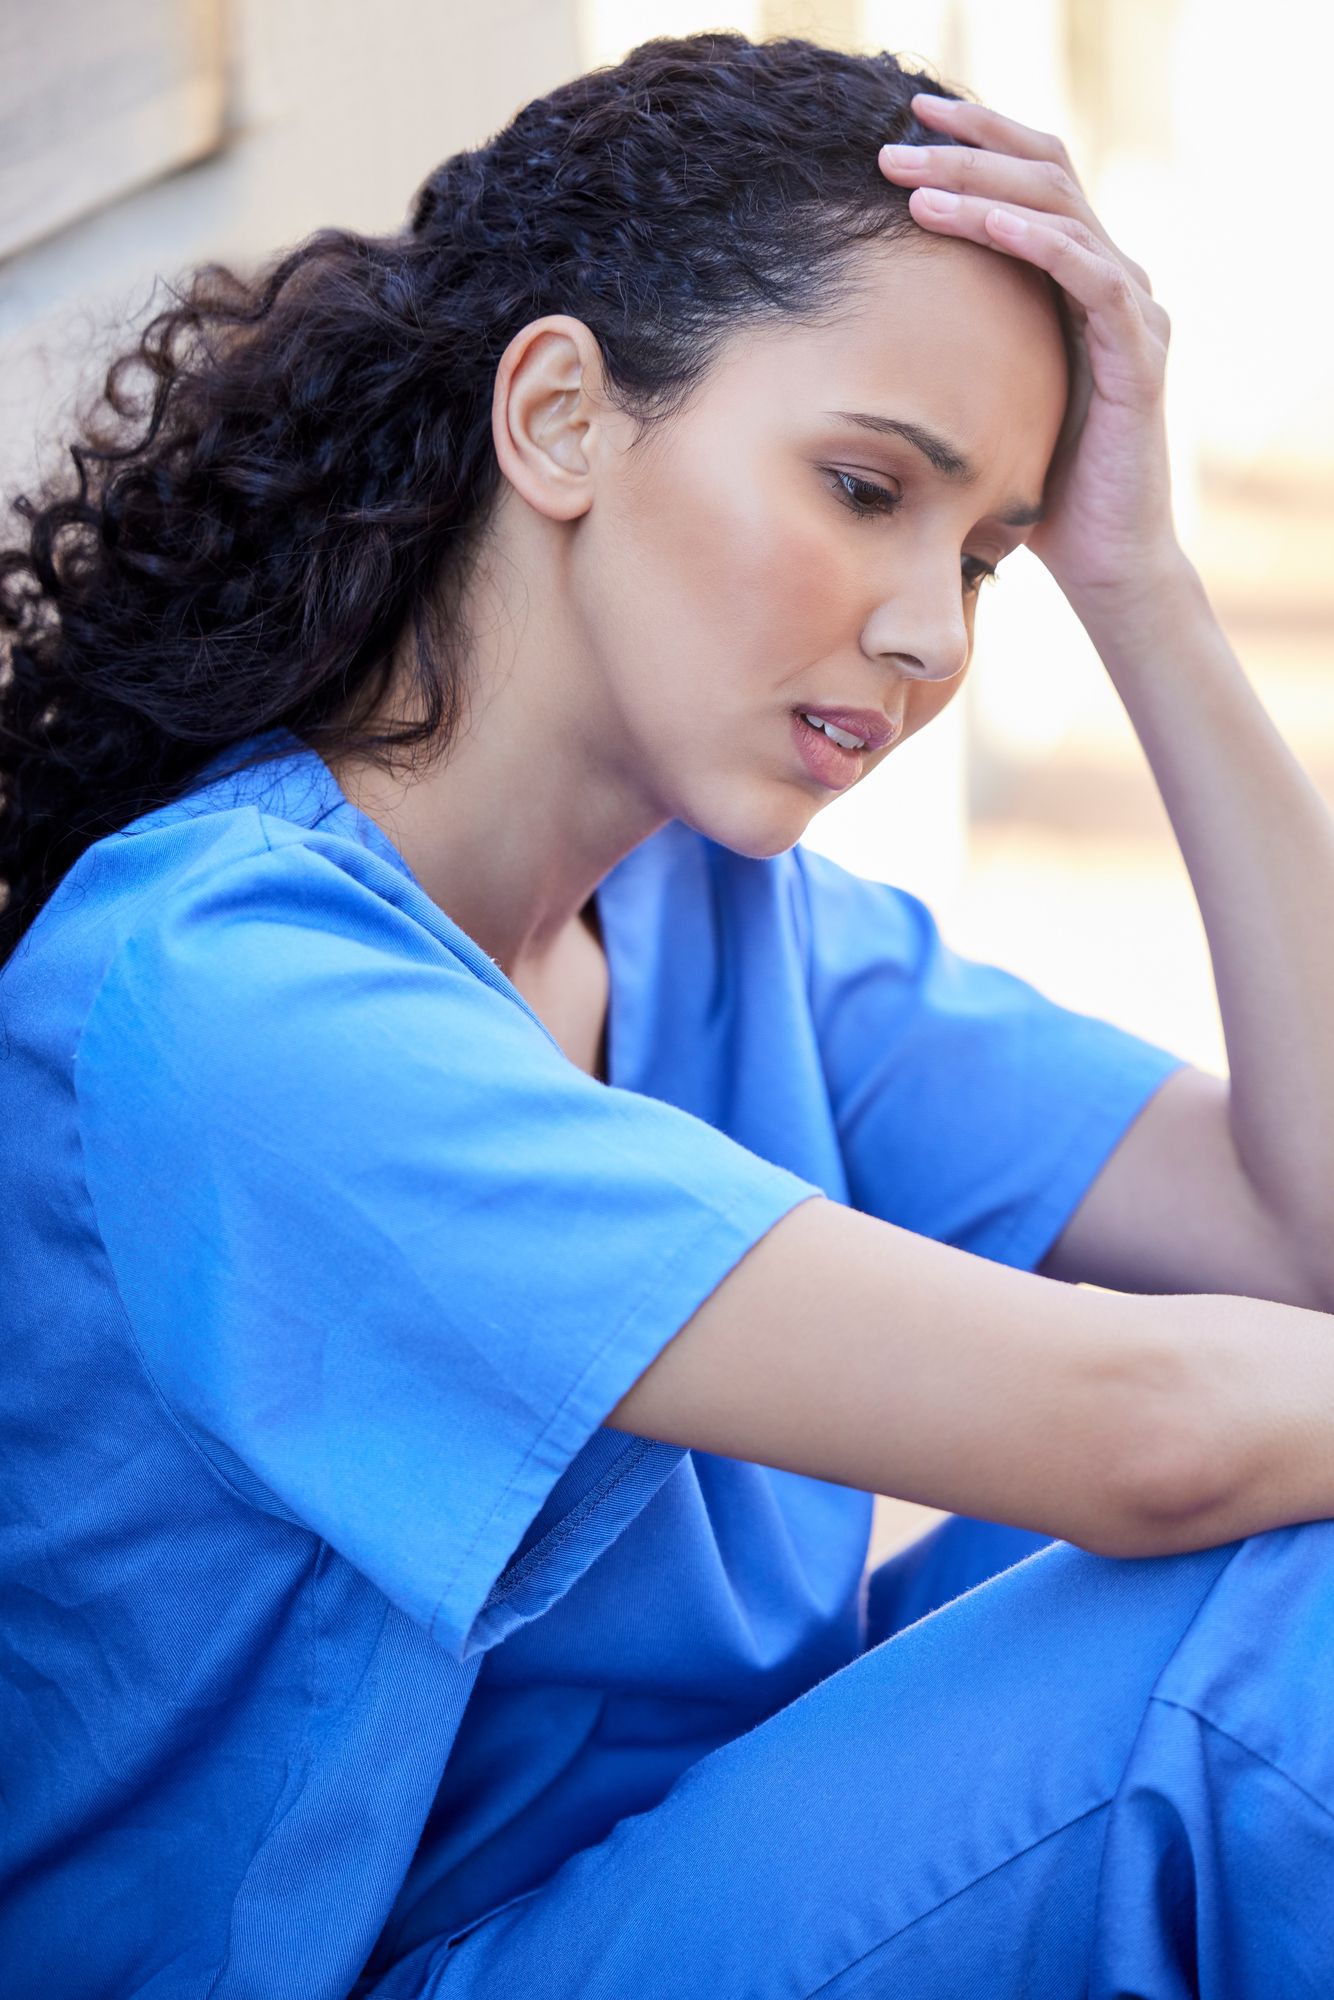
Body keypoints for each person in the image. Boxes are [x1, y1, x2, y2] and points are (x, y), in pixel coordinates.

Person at [2, 31, 1333, 1999]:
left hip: (682, 1860)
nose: (928, 633)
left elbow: (1298, 1234)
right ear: (557, 417)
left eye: (985, 557)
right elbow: (1139, 1432)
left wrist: (1136, 582)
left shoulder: (718, 921)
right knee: (1274, 1629)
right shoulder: (230, 996)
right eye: (864, 487)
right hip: (399, 1971)